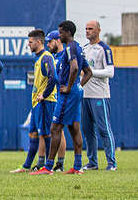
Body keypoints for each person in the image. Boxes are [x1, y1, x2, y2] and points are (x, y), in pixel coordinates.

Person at [32, 20, 93, 175]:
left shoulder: (70, 48)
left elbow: (75, 68)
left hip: (67, 94)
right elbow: (88, 72)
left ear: (67, 32)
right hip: (75, 92)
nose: (59, 35)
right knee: (74, 128)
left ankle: (48, 167)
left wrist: (70, 86)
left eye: (61, 33)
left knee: (55, 127)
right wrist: (79, 86)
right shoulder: (78, 47)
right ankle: (77, 167)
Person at [10, 30, 57, 173]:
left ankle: (48, 166)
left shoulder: (47, 57)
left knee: (45, 133)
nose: (28, 44)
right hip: (37, 103)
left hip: (46, 102)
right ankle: (26, 166)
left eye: (30, 42)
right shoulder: (38, 58)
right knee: (33, 133)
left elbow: (53, 77)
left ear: (39, 42)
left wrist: (44, 94)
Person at [82, 20, 117, 171]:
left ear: (98, 30)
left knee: (104, 129)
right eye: (86, 29)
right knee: (87, 130)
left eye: (91, 28)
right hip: (85, 95)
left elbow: (110, 72)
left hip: (99, 95)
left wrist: (91, 72)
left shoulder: (104, 49)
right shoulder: (84, 49)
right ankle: (92, 162)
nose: (87, 31)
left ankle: (111, 163)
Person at [45, 30, 69, 171]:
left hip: (63, 97)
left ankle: (60, 163)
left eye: (50, 41)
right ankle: (52, 163)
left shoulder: (66, 55)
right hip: (54, 97)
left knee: (60, 130)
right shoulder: (53, 56)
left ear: (57, 40)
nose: (48, 44)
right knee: (54, 130)